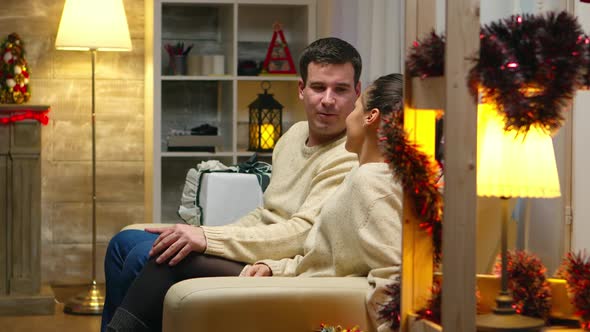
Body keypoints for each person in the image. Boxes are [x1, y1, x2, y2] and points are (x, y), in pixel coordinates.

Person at [107, 73, 404, 332]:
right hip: (287, 271)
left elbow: (393, 279)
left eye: (354, 101)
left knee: (163, 260)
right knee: (125, 243)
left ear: (370, 117)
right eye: (318, 87)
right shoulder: (357, 171)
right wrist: (275, 268)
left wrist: (211, 240)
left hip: (306, 291)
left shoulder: (372, 183)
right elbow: (322, 255)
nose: (340, 107)